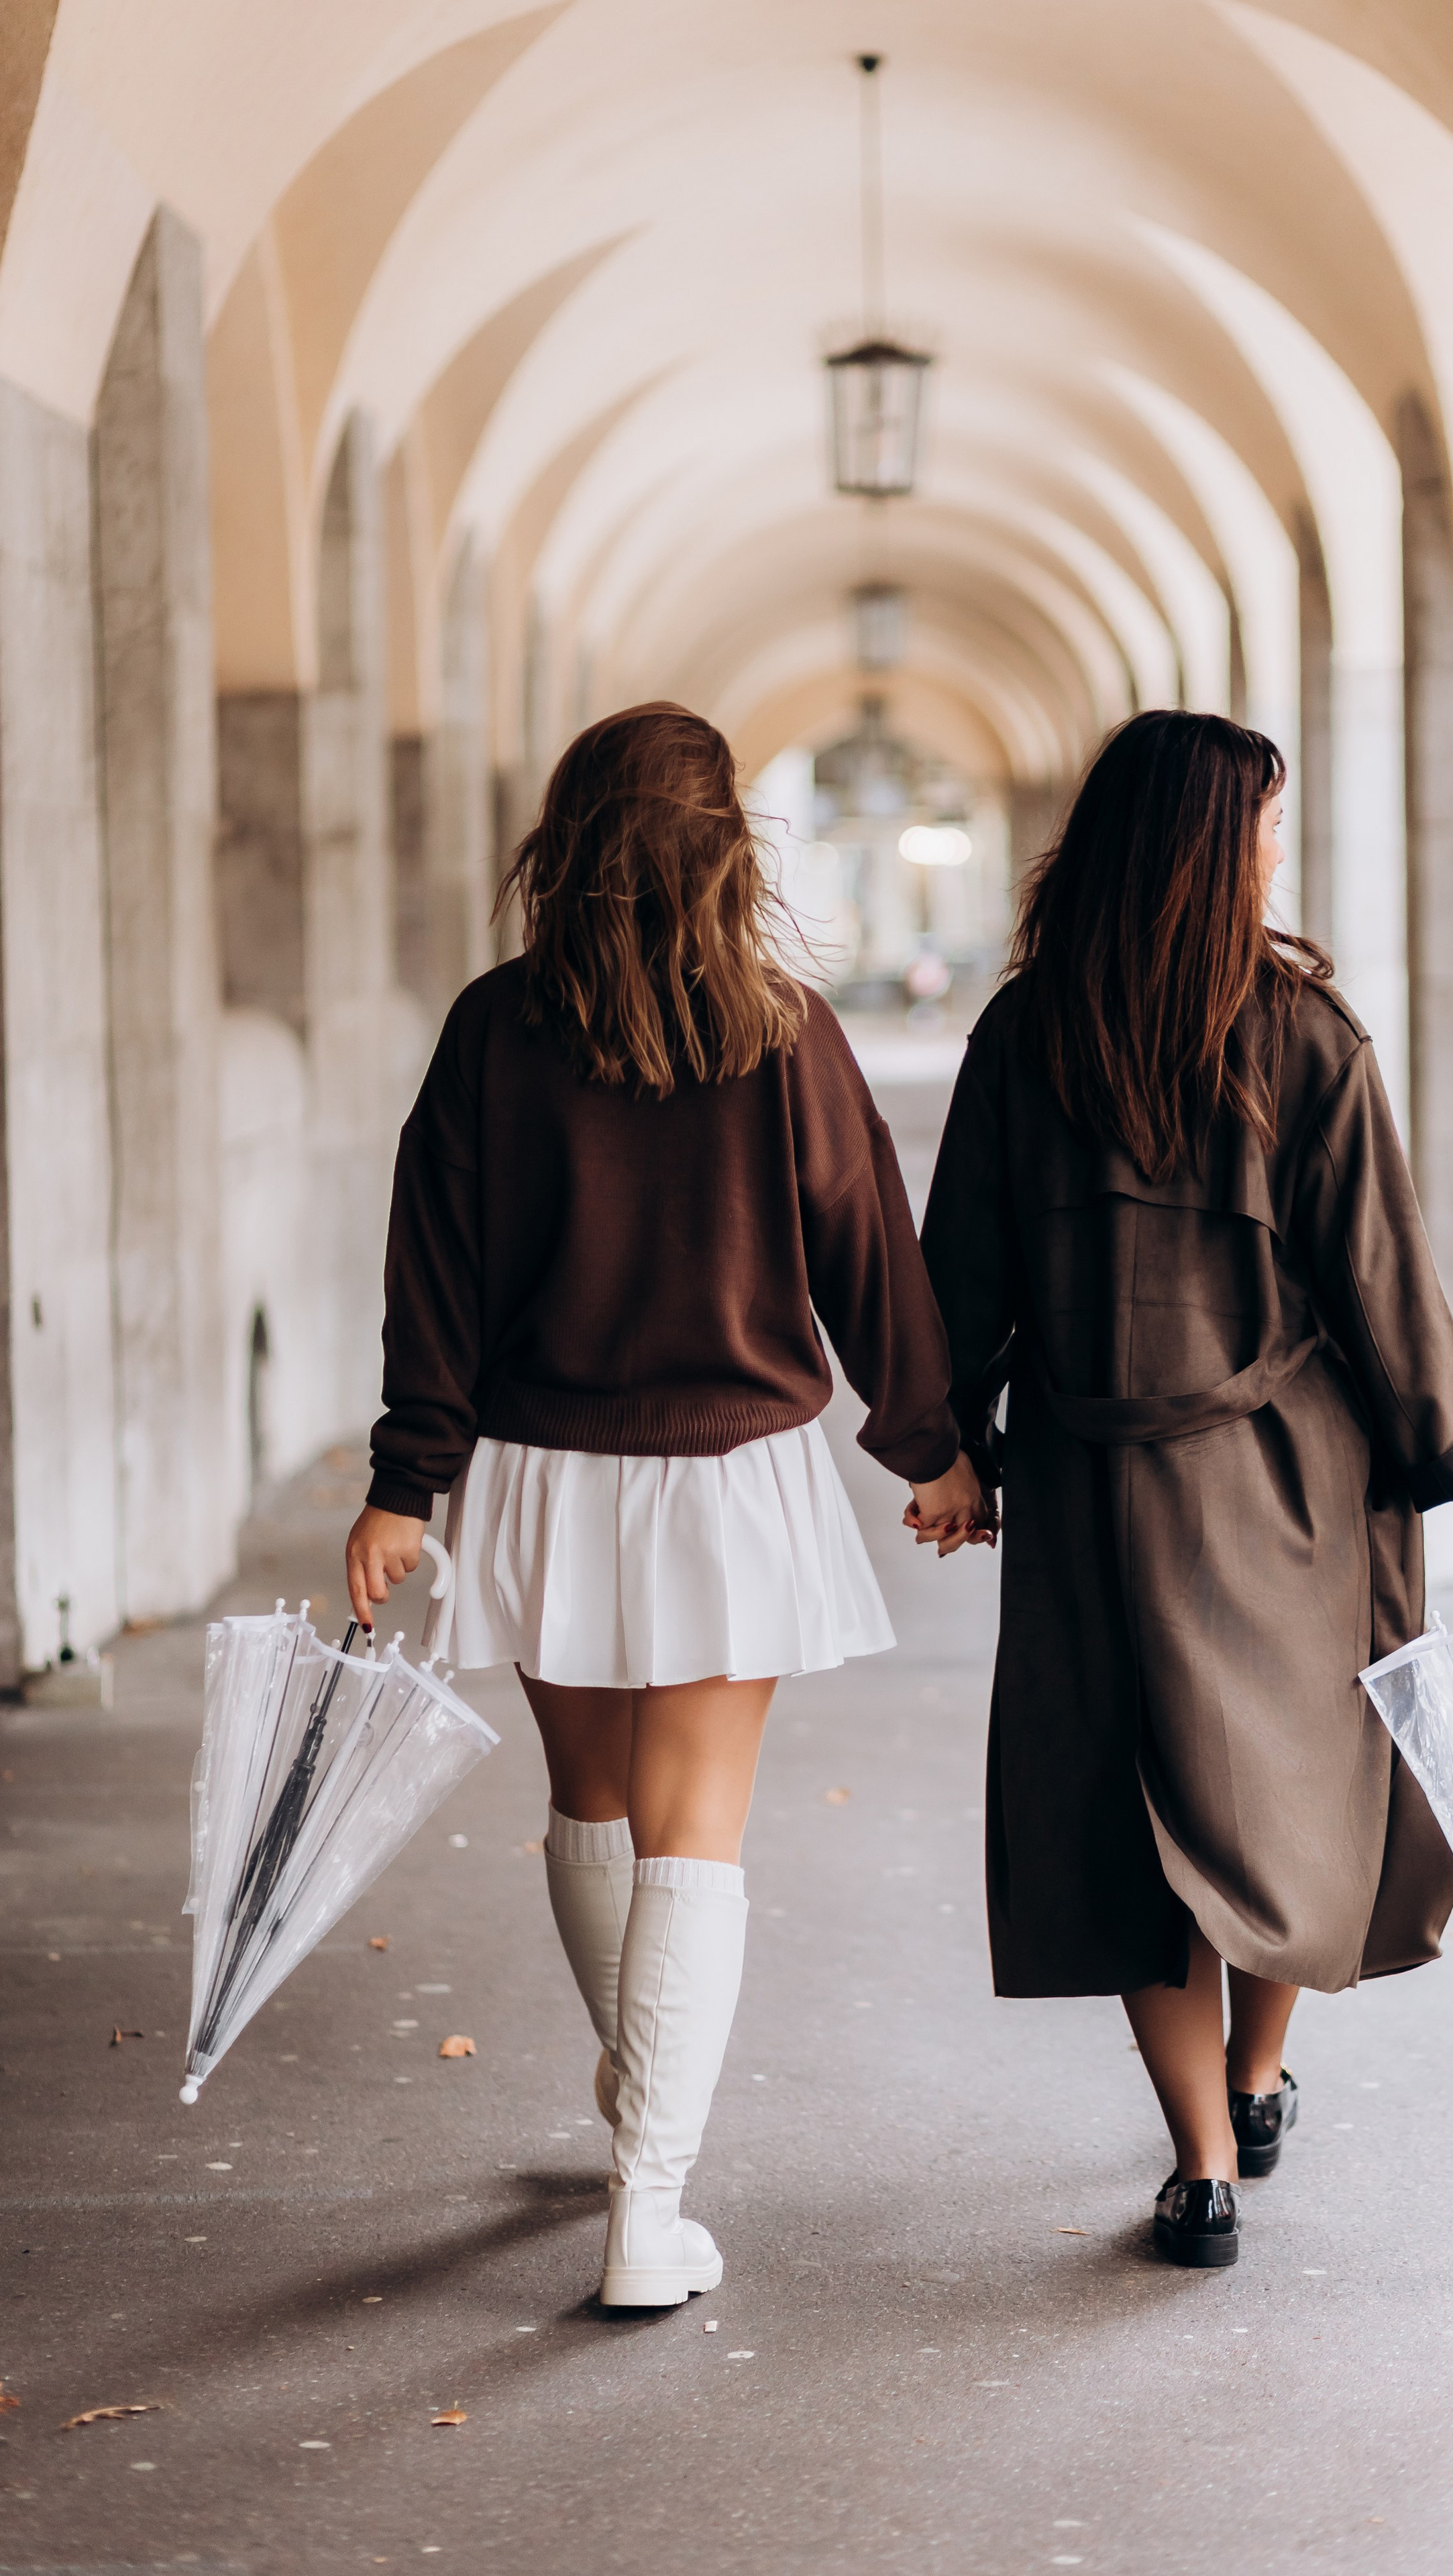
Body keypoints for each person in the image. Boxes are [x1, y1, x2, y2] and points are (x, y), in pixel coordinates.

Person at [345, 702, 987, 2309]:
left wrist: (404, 1479)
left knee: (593, 1809)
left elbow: (433, 1268)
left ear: (563, 842)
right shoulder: (782, 1032)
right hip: (730, 1482)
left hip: (545, 1473)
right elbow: (868, 1253)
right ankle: (649, 2205)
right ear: (726, 844)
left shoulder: (496, 1030)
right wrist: (934, 1447)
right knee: (698, 1835)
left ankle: (638, 2115)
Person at [917, 710, 1453, 2271]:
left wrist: (950, 1447)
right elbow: (1377, 1268)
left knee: (1126, 1810)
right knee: (1289, 1788)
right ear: (1207, 847)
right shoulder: (1303, 1034)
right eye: (1259, 825)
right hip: (1282, 1485)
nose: (1275, 849)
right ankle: (1256, 2081)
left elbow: (957, 1276)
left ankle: (1199, 2167)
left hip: (1087, 1479)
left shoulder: (1020, 1032)